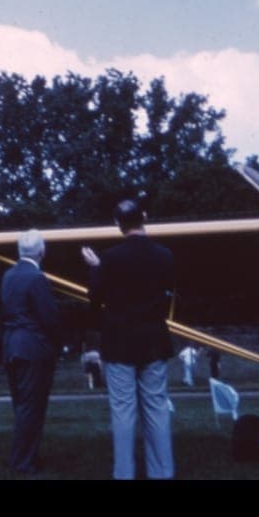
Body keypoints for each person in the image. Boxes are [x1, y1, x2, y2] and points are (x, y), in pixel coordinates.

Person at [82, 199, 176, 480]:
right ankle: (163, 472)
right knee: (157, 408)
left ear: (118, 225)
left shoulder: (110, 259)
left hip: (119, 342)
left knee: (123, 411)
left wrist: (97, 268)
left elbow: (95, 297)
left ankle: (124, 473)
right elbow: (165, 293)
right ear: (144, 218)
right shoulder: (165, 255)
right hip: (154, 340)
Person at [0, 229, 61, 475]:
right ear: (41, 251)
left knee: (22, 405)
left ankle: (29, 457)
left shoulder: (8, 276)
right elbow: (50, 317)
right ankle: (22, 462)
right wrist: (58, 343)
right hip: (33, 349)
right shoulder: (37, 278)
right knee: (31, 407)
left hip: (11, 346)